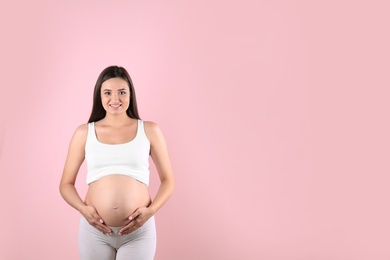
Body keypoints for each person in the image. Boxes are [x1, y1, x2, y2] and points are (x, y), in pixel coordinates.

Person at [59, 65, 174, 260]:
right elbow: (65, 184)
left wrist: (150, 211)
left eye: (122, 92)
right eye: (108, 93)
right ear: (99, 96)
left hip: (138, 233)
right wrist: (83, 209)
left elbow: (168, 180)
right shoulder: (84, 133)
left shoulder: (150, 130)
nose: (115, 99)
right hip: (95, 233)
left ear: (131, 95)